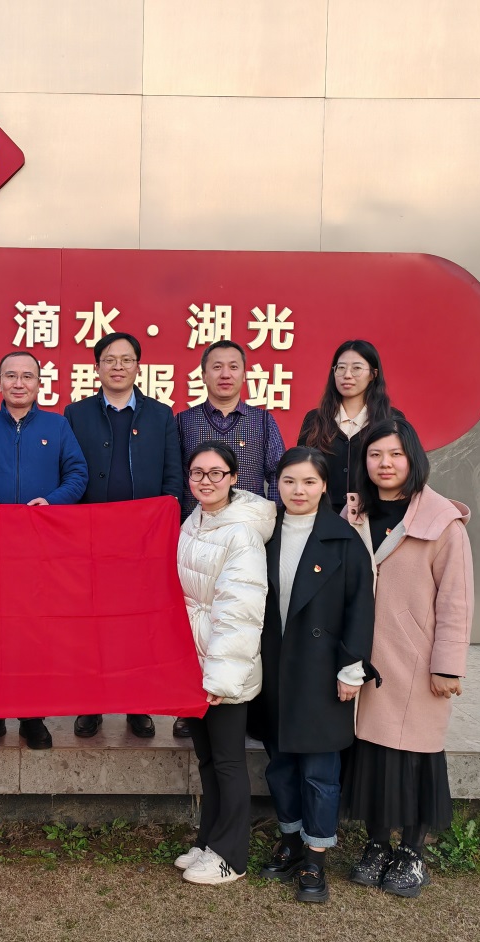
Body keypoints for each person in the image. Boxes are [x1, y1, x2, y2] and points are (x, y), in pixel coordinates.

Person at [341, 418, 472, 899]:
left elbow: (456, 600)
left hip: (416, 658)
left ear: (413, 458)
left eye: (395, 454)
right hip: (365, 660)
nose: (385, 464)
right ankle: (377, 844)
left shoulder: (442, 522)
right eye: (375, 454)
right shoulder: (353, 514)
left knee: (416, 754)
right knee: (373, 755)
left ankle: (412, 851)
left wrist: (447, 665)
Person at [250, 447, 375, 903]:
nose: (298, 491)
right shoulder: (263, 534)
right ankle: (290, 841)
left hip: (322, 671)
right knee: (281, 764)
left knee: (320, 771)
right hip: (273, 667)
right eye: (289, 481)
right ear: (276, 485)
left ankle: (316, 856)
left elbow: (360, 608)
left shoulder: (344, 540)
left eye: (308, 482)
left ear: (324, 486)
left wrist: (351, 669)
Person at [0, 350, 88, 751]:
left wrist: (53, 502)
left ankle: (32, 716)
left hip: (40, 547)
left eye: (27, 376)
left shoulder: (57, 426)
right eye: (10, 376)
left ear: (39, 384)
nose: (19, 383)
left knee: (34, 631)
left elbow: (77, 474)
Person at [64, 331, 181, 740]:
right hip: (89, 539)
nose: (118, 366)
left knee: (138, 624)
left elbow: (172, 477)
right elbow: (67, 472)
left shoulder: (160, 415)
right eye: (109, 360)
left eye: (126, 359)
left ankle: (138, 705)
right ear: (96, 368)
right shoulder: (76, 414)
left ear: (137, 366)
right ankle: (91, 704)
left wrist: (164, 522)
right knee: (90, 624)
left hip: (143, 541)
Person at [173, 441, 274, 886]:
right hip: (195, 663)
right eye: (198, 472)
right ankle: (209, 841)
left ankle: (231, 855)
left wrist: (222, 678)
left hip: (224, 668)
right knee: (208, 760)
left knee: (229, 762)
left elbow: (239, 612)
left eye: (216, 473)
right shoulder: (194, 521)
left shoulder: (242, 533)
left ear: (234, 478)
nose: (206, 481)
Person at [174, 338, 285, 738]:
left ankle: (247, 706)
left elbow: (278, 475)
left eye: (233, 366)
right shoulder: (183, 422)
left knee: (243, 621)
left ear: (244, 373)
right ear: (203, 374)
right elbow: (175, 478)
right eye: (216, 366)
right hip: (198, 541)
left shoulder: (263, 421)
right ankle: (190, 706)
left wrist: (267, 527)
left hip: (246, 540)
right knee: (196, 620)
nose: (225, 374)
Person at [297, 340, 403, 513]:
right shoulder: (315, 419)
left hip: (375, 515)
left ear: (373, 374)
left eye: (356, 368)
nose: (347, 375)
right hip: (322, 516)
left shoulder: (391, 419)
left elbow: (404, 470)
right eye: (341, 368)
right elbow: (301, 469)